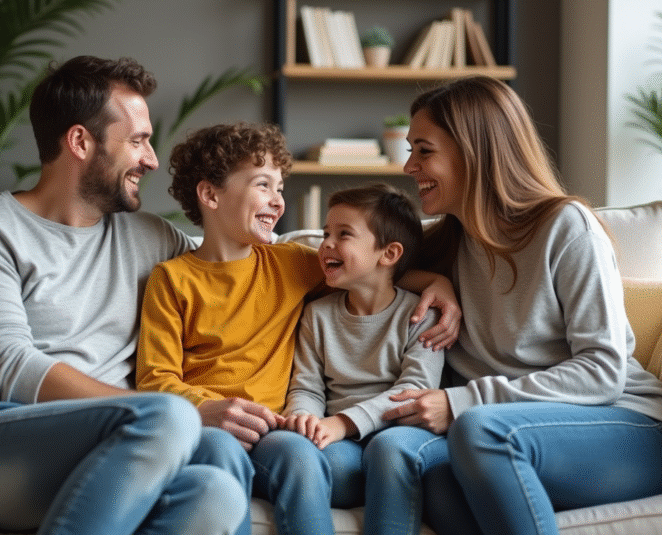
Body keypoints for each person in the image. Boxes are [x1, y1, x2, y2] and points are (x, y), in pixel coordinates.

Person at [0, 56, 251, 535]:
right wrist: (161, 413)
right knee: (172, 416)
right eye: (137, 141)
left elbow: (232, 268)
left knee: (217, 487)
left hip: (116, 448)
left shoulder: (151, 238)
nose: (151, 160)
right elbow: (2, 366)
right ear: (80, 141)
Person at [381, 76, 662, 535]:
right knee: (437, 482)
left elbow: (604, 369)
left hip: (632, 430)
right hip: (508, 439)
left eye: (424, 150)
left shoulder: (565, 226)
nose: (409, 166)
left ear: (475, 151)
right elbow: (354, 271)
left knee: (479, 430)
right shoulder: (445, 244)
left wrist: (464, 401)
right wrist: (432, 279)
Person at [136, 122, 460, 535]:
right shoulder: (172, 279)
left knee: (302, 458)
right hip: (213, 427)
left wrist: (435, 283)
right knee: (221, 456)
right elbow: (155, 378)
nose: (277, 201)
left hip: (276, 429)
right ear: (210, 194)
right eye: (263, 185)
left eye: (280, 187)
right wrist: (207, 409)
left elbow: (369, 271)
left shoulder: (290, 263)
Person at [282, 183, 445, 535]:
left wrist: (341, 423)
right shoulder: (317, 316)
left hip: (402, 433)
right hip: (343, 443)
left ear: (388, 254)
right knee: (323, 464)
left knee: (388, 449)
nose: (326, 243)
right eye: (326, 232)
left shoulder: (421, 316)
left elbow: (415, 390)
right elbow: (307, 385)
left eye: (344, 234)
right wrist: (303, 418)